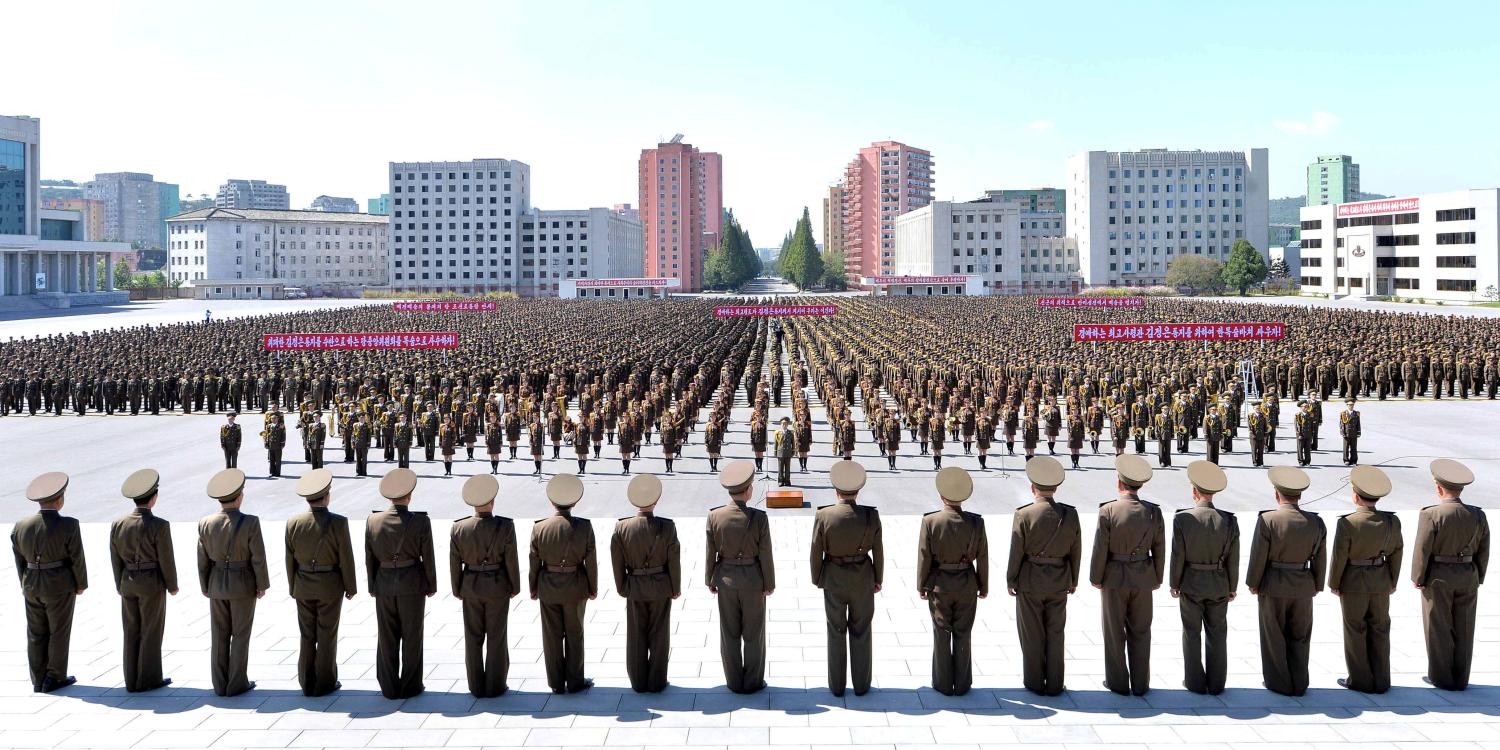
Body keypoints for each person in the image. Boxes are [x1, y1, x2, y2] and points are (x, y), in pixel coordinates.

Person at [1246, 465, 1325, 696]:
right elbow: (1321, 556)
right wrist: (1317, 584)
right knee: (1300, 636)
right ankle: (1299, 681)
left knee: (1273, 635)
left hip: (1274, 584)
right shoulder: (1315, 522)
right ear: (1299, 495)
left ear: (1277, 494)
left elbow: (1258, 555)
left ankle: (1278, 681)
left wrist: (1254, 582)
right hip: (1303, 584)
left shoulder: (1268, 520)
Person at [1091, 454, 1165, 696]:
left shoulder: (1108, 511)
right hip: (1143, 576)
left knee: (1114, 632)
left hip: (1114, 576)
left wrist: (1096, 577)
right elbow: (1160, 549)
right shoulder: (1153, 512)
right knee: (1141, 631)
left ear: (1119, 483)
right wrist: (1157, 577)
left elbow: (1100, 548)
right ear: (1140, 485)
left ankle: (1118, 682)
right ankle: (1141, 683)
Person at [1412, 458, 1489, 691]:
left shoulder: (1431, 514)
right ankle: (1461, 677)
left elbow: (1422, 549)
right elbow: (1484, 550)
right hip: (1468, 574)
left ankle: (1441, 677)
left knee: (1438, 627)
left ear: (1438, 488)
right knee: (1465, 627)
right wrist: (1478, 576)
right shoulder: (1477, 515)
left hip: (1438, 575)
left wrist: (1418, 577)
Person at [1007, 456, 1080, 697]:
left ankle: (1035, 681)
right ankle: (1055, 683)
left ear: (1032, 487)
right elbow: (1075, 550)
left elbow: (1016, 551)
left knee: (1032, 633)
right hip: (1059, 580)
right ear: (1056, 488)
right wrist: (1073, 579)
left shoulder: (1024, 515)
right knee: (1056, 632)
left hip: (1030, 580)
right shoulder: (1070, 514)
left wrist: (1011, 579)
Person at [811, 460, 883, 697]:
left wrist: (818, 578)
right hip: (862, 576)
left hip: (833, 577)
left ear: (836, 490)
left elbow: (816, 551)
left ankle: (837, 686)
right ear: (858, 491)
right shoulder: (871, 516)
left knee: (836, 631)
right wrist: (877, 578)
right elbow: (878, 551)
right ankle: (862, 685)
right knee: (862, 631)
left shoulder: (824, 515)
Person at [197, 468, 269, 697]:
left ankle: (219, 683)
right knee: (240, 635)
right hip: (243, 585)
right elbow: (258, 557)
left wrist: (205, 585)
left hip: (217, 584)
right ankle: (237, 682)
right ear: (239, 497)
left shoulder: (206, 523)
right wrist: (262, 584)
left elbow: (202, 560)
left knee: (219, 635)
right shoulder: (250, 522)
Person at [285, 468, 357, 697]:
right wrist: (350, 587)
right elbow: (346, 557)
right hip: (329, 586)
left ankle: (306, 680)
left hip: (303, 585)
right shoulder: (338, 522)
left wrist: (293, 586)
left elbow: (289, 560)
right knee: (327, 634)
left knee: (307, 634)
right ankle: (325, 681)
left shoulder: (293, 523)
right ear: (327, 496)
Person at [1330, 465, 1401, 694]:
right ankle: (1381, 680)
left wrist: (1335, 583)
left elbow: (1340, 556)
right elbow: (1396, 553)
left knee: (1355, 630)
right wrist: (1391, 581)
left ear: (1356, 496)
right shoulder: (1391, 522)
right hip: (1380, 581)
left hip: (1353, 582)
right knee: (1380, 629)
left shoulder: (1348, 522)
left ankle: (1360, 679)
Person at [13, 472, 86, 693]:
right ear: (59, 499)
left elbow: (19, 560)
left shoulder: (21, 525)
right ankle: (54, 676)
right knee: (58, 631)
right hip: (59, 585)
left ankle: (38, 678)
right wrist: (80, 583)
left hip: (31, 584)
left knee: (35, 633)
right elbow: (76, 558)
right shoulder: (69, 525)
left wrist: (25, 582)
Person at [366, 468, 436, 699]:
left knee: (386, 636)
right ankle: (411, 685)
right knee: (412, 636)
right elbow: (429, 557)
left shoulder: (373, 521)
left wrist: (372, 586)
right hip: (412, 584)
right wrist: (431, 584)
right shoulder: (420, 522)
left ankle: (388, 685)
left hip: (384, 583)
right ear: (409, 496)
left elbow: (370, 559)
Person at [919, 465, 989, 696]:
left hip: (939, 583)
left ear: (941, 495)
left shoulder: (931, 521)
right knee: (963, 632)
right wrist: (983, 585)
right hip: (967, 582)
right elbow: (983, 557)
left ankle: (942, 682)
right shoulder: (976, 522)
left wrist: (922, 584)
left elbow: (924, 555)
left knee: (941, 633)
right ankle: (962, 683)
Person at [706, 460, 775, 694]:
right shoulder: (759, 518)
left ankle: (734, 681)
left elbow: (710, 552)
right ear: (748, 491)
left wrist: (710, 579)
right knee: (754, 633)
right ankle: (753, 681)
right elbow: (765, 553)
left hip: (725, 579)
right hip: (753, 579)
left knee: (729, 633)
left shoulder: (715, 516)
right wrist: (769, 583)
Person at [1169, 461, 1237, 695]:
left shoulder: (1184, 519)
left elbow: (1178, 555)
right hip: (1218, 582)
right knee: (1217, 634)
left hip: (1191, 582)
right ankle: (1217, 684)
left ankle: (1195, 682)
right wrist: (1232, 586)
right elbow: (1233, 558)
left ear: (1194, 491)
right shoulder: (1229, 520)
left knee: (1191, 632)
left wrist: (1174, 583)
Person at [450, 474, 520, 698]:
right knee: (497, 636)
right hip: (497, 585)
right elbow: (511, 559)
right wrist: (514, 586)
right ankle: (495, 684)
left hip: (470, 585)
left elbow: (454, 563)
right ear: (492, 502)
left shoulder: (459, 528)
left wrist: (457, 588)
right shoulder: (505, 526)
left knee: (473, 637)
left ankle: (476, 686)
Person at [611, 473, 681, 693]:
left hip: (635, 585)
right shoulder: (667, 527)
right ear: (656, 501)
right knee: (659, 635)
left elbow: (617, 561)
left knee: (636, 635)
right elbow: (674, 561)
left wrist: (622, 587)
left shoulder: (622, 528)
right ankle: (657, 681)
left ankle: (638, 681)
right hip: (660, 585)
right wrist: (675, 587)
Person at [110, 469, 178, 693]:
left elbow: (115, 556)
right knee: (151, 630)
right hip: (151, 582)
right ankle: (148, 678)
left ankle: (131, 679)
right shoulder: (159, 525)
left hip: (128, 580)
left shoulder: (118, 523)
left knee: (130, 630)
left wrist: (119, 583)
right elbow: (165, 559)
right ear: (154, 497)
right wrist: (172, 585)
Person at [529, 473, 598, 694]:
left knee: (551, 636)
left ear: (551, 501)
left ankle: (556, 682)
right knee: (575, 634)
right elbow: (591, 562)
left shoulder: (540, 527)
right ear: (575, 502)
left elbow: (534, 561)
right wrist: (592, 587)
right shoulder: (584, 527)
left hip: (548, 585)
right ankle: (575, 681)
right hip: (576, 585)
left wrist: (533, 587)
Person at [773, 416, 795, 487]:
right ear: (781, 425)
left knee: (787, 468)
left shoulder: (790, 433)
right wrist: (775, 452)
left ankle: (787, 481)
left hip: (788, 453)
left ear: (787, 425)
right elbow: (776, 443)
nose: (784, 425)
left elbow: (793, 442)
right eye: (783, 424)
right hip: (780, 452)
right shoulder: (778, 433)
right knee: (780, 468)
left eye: (785, 424)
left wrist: (793, 451)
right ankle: (780, 481)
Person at [1340, 399, 1361, 466]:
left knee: (1354, 448)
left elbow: (1358, 424)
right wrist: (1342, 432)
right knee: (1346, 447)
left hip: (1354, 433)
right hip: (1346, 432)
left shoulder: (1356, 413)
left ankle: (1354, 460)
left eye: (1352, 405)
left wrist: (1358, 432)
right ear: (1347, 405)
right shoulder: (1343, 413)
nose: (1351, 406)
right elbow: (1341, 424)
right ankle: (1346, 460)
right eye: (1349, 405)